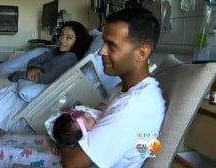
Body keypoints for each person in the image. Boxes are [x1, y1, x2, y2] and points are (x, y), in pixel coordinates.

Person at [59, 8, 166, 168]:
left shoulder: (133, 107)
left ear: (141, 53)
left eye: (112, 46)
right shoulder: (130, 87)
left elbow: (73, 163)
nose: (102, 51)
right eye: (103, 43)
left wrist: (61, 138)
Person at [8, 21, 92, 84]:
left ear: (78, 42)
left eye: (68, 38)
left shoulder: (70, 57)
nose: (62, 40)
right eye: (61, 35)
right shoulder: (56, 51)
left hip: (19, 77)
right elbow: (33, 61)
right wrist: (36, 68)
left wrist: (17, 75)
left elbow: (44, 79)